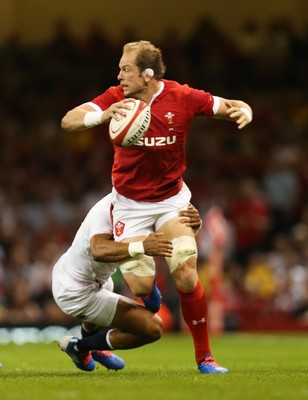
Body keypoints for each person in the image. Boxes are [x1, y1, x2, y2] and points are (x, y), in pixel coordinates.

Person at [61, 40, 253, 374]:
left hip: (171, 201)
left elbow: (229, 105)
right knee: (142, 288)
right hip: (129, 206)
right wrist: (103, 115)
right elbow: (69, 120)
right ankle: (147, 300)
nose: (119, 75)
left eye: (126, 69)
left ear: (147, 74)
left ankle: (205, 357)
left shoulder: (182, 97)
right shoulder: (116, 98)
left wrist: (244, 110)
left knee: (185, 268)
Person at [53, 192, 201, 372]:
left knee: (148, 305)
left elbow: (169, 231)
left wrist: (192, 224)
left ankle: (94, 345)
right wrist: (142, 247)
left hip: (98, 279)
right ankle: (81, 347)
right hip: (75, 288)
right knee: (153, 327)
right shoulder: (106, 209)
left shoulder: (143, 205)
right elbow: (98, 249)